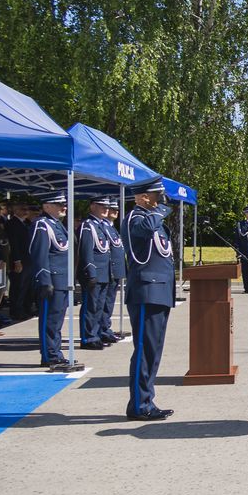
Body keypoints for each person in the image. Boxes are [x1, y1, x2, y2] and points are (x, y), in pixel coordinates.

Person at [124, 179, 175, 420]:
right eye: (157, 196)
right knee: (144, 350)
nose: (161, 201)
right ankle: (138, 405)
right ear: (144, 197)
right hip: (146, 291)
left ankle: (146, 400)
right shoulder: (135, 218)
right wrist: (162, 210)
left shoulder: (151, 219)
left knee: (153, 351)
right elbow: (144, 231)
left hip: (158, 291)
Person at [28, 192, 72, 367]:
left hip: (61, 281)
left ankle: (56, 352)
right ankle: (49, 356)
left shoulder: (57, 225)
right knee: (49, 320)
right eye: (58, 204)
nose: (64, 207)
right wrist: (44, 280)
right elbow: (39, 255)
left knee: (57, 320)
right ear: (46, 206)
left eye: (64, 204)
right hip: (51, 280)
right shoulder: (42, 225)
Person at [77, 196, 114, 349]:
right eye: (101, 205)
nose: (106, 208)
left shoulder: (101, 226)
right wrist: (91, 272)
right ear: (92, 206)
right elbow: (86, 251)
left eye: (107, 206)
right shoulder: (88, 226)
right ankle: (88, 338)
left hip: (104, 273)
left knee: (99, 306)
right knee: (90, 307)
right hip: (94, 273)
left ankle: (96, 334)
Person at [102, 199, 127, 343]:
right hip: (108, 270)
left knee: (109, 302)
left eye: (116, 209)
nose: (115, 212)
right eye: (112, 209)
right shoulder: (103, 227)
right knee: (104, 303)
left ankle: (106, 328)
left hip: (115, 270)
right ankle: (102, 329)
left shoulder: (111, 227)